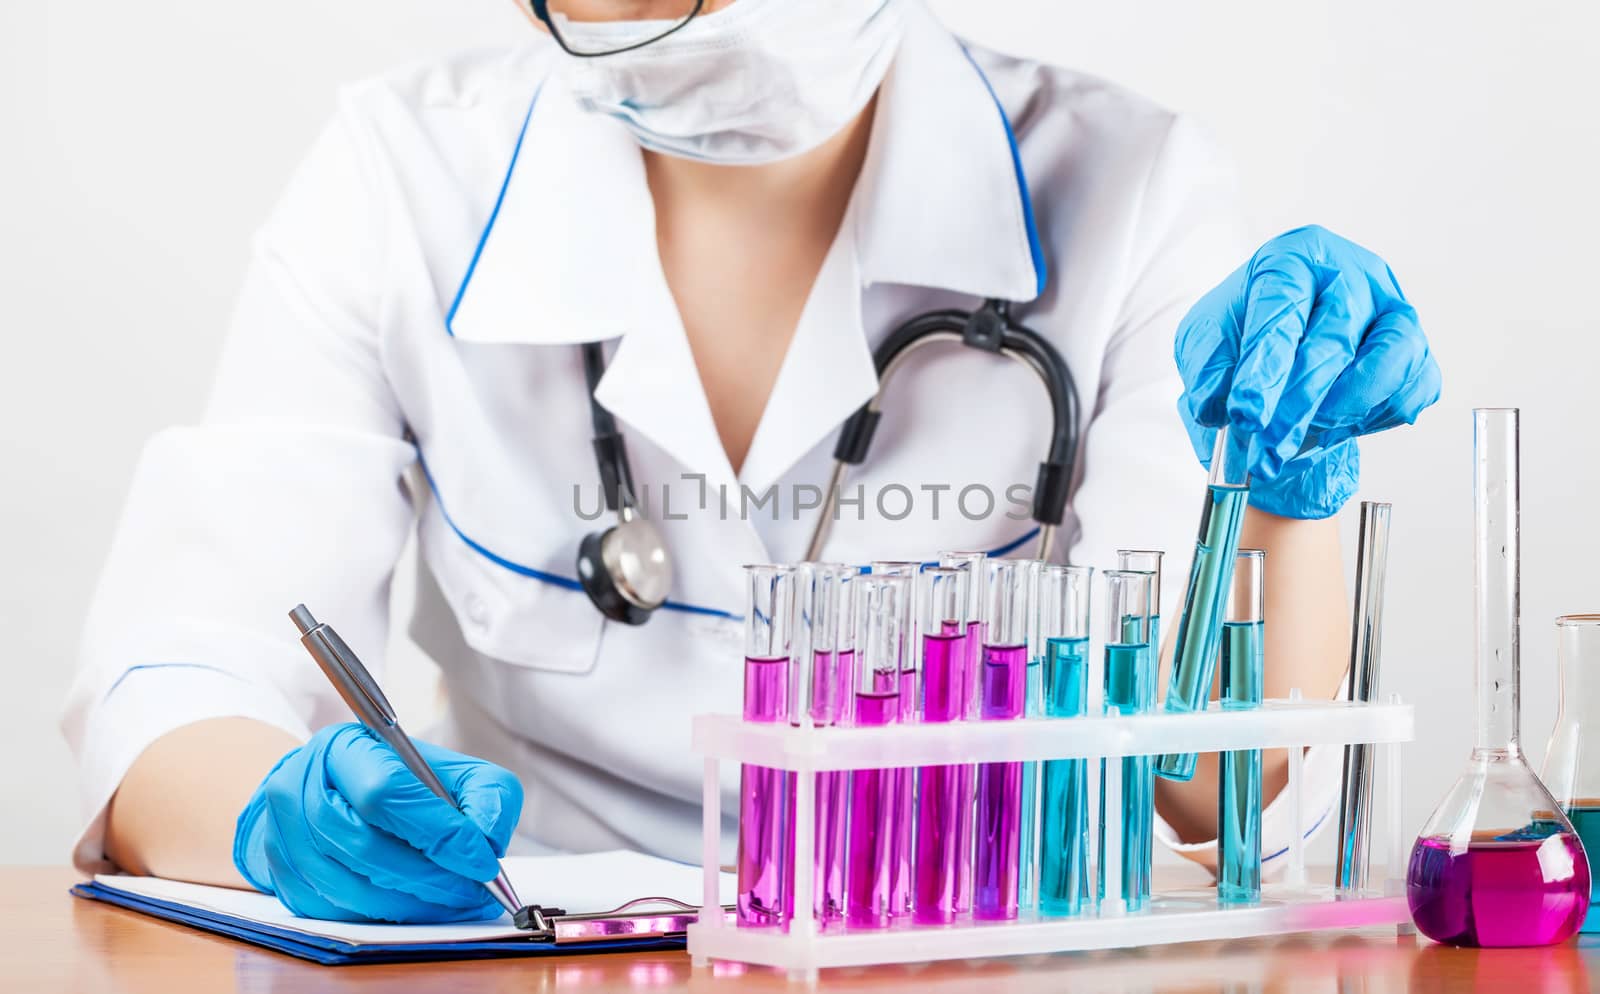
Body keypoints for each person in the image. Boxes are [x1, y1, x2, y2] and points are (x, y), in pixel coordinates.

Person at [61, 0, 1439, 923]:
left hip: (975, 959)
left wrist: (1277, 499)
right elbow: (185, 666)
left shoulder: (1133, 190)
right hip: (533, 948)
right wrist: (278, 823)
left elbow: (1198, 778)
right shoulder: (403, 174)